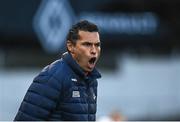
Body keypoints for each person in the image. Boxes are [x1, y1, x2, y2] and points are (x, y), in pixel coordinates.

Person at [14, 20, 101, 121]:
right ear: (70, 46)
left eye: (97, 45)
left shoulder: (91, 81)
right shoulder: (52, 78)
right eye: (87, 44)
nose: (94, 51)